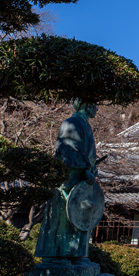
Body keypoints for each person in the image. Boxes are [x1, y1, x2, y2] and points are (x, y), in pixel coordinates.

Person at [34, 100, 100, 262]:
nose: (97, 108)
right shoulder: (72, 123)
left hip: (83, 181)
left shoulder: (84, 124)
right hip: (70, 179)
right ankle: (57, 256)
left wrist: (92, 169)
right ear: (88, 105)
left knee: (81, 215)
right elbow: (69, 150)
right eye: (95, 104)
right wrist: (85, 169)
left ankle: (77, 255)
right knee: (64, 217)